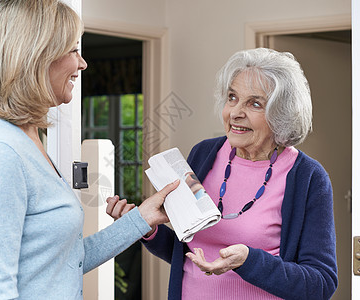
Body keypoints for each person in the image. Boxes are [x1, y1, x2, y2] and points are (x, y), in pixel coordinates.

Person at [0, 1, 178, 299]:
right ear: (36, 57)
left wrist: (143, 218)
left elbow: (66, 262)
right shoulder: (0, 153)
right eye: (74, 50)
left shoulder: (28, 141)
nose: (83, 63)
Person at [107, 48, 337, 299]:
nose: (235, 112)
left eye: (255, 103)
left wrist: (248, 261)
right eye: (232, 97)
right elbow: (188, 251)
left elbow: (321, 283)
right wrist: (147, 229)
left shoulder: (308, 177)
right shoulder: (204, 154)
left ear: (281, 113)